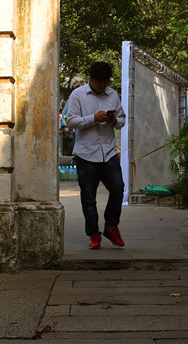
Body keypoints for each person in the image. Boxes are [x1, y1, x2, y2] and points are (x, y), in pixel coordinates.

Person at [64, 61, 126, 249]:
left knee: (118, 188)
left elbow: (122, 120)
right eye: (100, 82)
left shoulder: (113, 94)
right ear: (91, 79)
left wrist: (114, 120)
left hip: (108, 152)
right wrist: (93, 118)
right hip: (86, 154)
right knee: (88, 197)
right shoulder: (78, 94)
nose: (103, 85)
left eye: (106, 82)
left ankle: (111, 226)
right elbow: (70, 121)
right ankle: (93, 234)